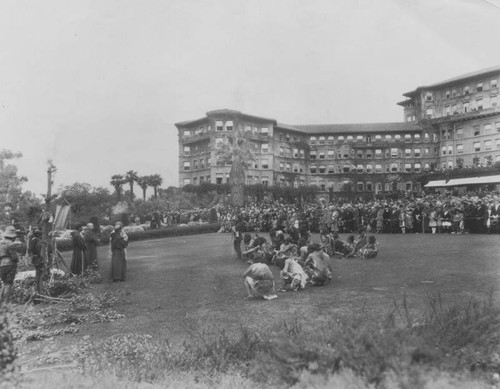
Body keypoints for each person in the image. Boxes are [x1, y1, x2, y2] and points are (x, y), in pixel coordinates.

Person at [0, 226, 20, 305]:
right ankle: (6, 303)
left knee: (4, 283)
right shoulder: (11, 244)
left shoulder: (1, 243)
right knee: (8, 283)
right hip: (10, 263)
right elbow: (14, 257)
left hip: (2, 264)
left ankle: (1, 301)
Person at [28, 228, 43, 293]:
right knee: (39, 273)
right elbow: (36, 249)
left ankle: (38, 286)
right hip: (37, 258)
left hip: (36, 257)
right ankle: (38, 288)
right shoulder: (36, 241)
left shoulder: (33, 240)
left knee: (38, 272)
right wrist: (37, 255)